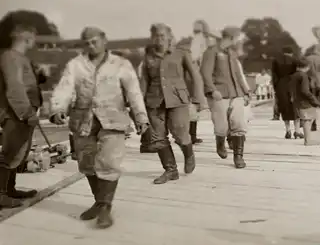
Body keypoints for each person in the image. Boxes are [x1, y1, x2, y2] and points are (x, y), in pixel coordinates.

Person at [49, 26, 149, 229]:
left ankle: (105, 207)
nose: (91, 46)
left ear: (104, 40)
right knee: (87, 164)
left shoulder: (120, 64)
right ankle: (99, 201)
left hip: (113, 118)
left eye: (95, 41)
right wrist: (58, 108)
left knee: (109, 162)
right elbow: (64, 88)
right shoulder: (76, 65)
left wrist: (140, 117)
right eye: (87, 43)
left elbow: (134, 92)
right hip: (83, 120)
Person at [139, 23, 205, 184]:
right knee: (158, 138)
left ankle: (188, 153)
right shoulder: (149, 55)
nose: (159, 39)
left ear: (169, 37)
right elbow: (144, 80)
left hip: (177, 100)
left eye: (162, 35)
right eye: (156, 36)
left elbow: (195, 76)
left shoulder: (181, 53)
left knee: (181, 133)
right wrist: (139, 105)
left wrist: (198, 99)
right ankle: (170, 170)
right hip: (154, 101)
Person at [0, 17, 44, 209]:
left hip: (21, 114)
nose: (34, 42)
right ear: (27, 38)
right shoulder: (11, 57)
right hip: (15, 114)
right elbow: (15, 87)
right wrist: (27, 113)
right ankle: (1, 195)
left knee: (19, 153)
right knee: (10, 153)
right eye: (33, 38)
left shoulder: (20, 58)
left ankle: (10, 190)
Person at [201, 26, 251, 169]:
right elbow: (205, 73)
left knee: (239, 124)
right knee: (222, 126)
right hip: (219, 95)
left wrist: (246, 92)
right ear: (230, 38)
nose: (239, 41)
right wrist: (212, 89)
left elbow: (238, 75)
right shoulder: (211, 52)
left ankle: (238, 157)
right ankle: (220, 142)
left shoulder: (232, 54)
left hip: (236, 94)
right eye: (238, 38)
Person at [176, 20, 214, 145]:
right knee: (192, 106)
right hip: (194, 76)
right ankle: (190, 135)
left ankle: (190, 135)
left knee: (193, 107)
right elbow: (195, 56)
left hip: (195, 75)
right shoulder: (200, 39)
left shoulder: (201, 39)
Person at [271, 46, 303, 139]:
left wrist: (275, 88)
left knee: (284, 108)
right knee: (295, 108)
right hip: (293, 86)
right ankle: (297, 131)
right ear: (291, 53)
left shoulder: (275, 60)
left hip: (281, 86)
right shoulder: (295, 60)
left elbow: (274, 76)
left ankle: (288, 131)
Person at [290, 57, 320, 146]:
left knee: (306, 119)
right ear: (307, 67)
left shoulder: (293, 75)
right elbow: (305, 91)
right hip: (304, 101)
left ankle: (308, 139)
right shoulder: (303, 76)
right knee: (307, 120)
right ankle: (308, 140)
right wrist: (314, 101)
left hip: (296, 100)